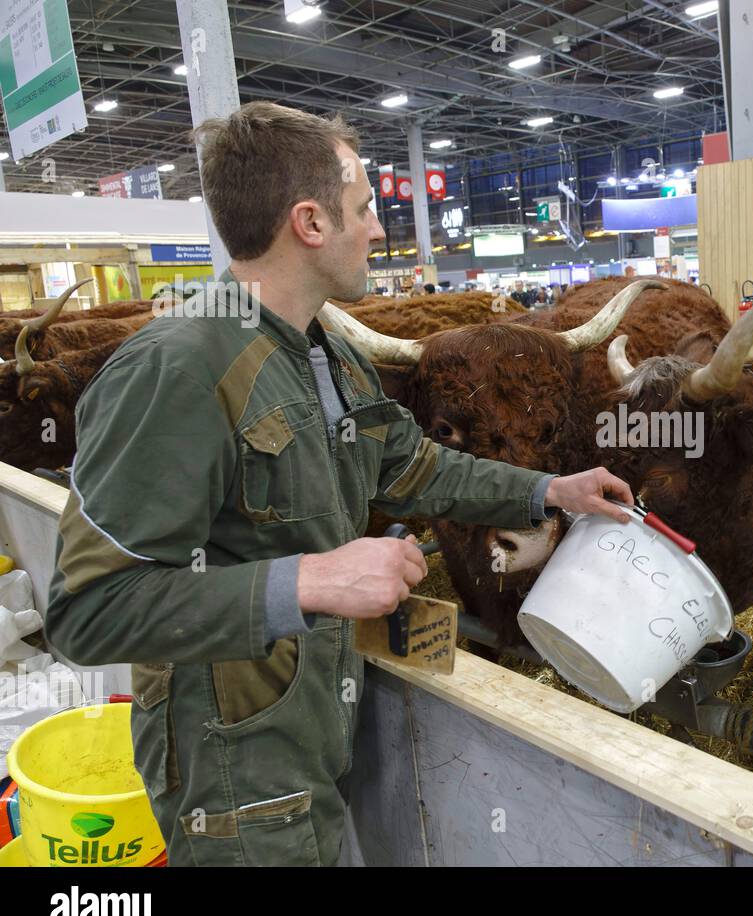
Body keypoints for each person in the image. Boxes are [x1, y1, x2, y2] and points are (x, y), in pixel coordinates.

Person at [44, 102, 633, 867]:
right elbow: (87, 611)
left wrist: (550, 492)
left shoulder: (326, 353)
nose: (381, 230)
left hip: (312, 722)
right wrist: (313, 579)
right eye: (366, 210)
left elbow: (419, 468)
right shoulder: (177, 370)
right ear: (310, 223)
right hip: (236, 767)